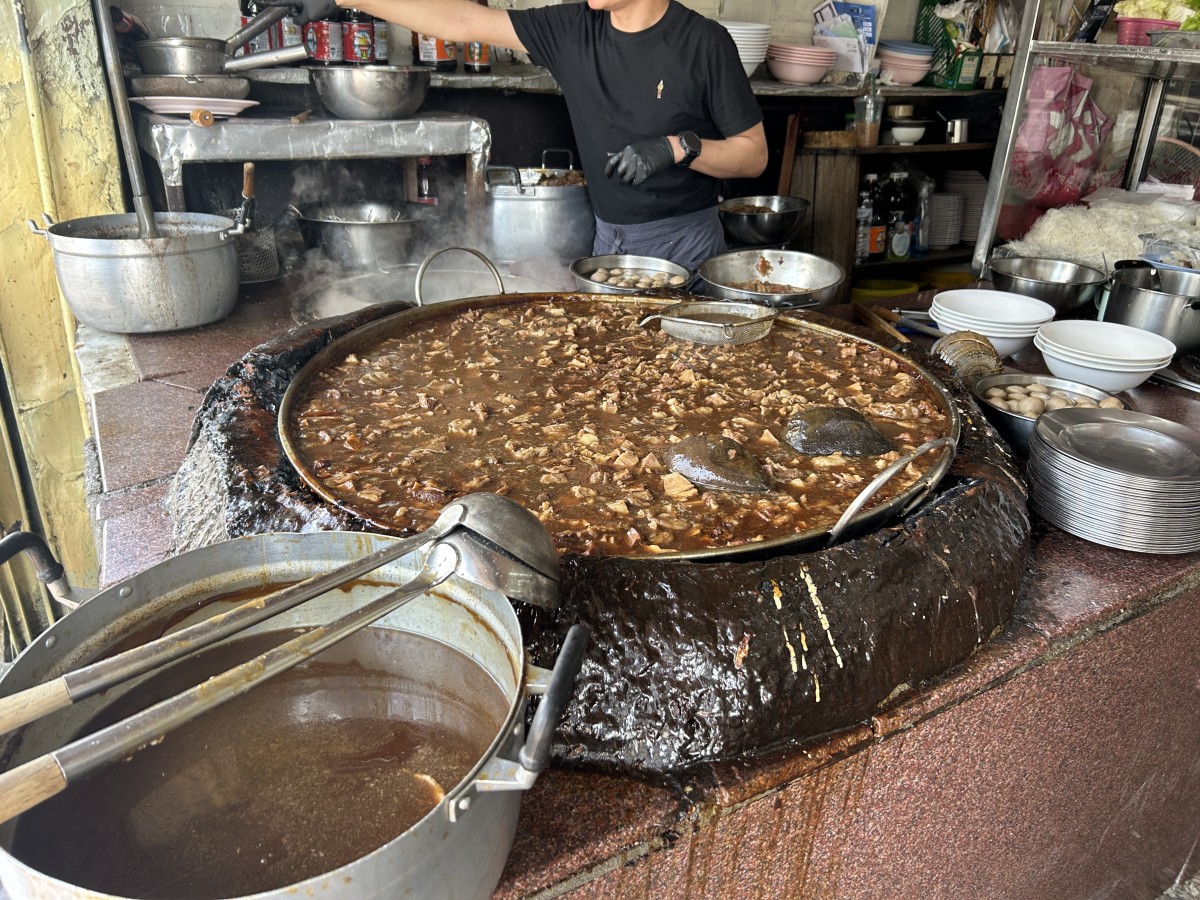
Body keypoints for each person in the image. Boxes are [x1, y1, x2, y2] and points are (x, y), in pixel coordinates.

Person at [278, 0, 769, 271]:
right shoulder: (573, 28)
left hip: (685, 243)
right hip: (607, 241)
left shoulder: (704, 44)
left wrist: (678, 148)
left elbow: (753, 157)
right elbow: (464, 19)